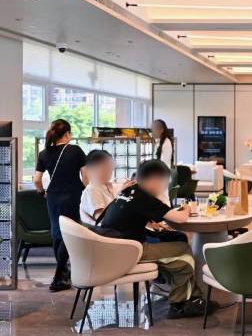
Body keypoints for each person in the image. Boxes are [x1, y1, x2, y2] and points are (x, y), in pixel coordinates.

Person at [99, 159, 209, 319]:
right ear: (154, 179)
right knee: (184, 254)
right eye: (164, 182)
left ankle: (189, 295)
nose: (164, 187)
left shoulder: (129, 190)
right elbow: (180, 218)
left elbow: (131, 214)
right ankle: (179, 305)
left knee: (177, 239)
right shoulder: (144, 197)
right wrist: (187, 207)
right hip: (128, 250)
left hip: (112, 246)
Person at [33, 119, 88, 292]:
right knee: (69, 232)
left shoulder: (44, 153)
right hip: (72, 195)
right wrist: (85, 191)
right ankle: (59, 275)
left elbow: (36, 179)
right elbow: (86, 176)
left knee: (57, 233)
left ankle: (62, 273)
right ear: (67, 134)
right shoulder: (76, 150)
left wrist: (42, 192)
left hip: (53, 196)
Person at [79, 150, 119, 225]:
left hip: (113, 228)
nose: (111, 170)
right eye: (107, 166)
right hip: (104, 230)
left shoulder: (106, 186)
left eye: (111, 166)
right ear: (93, 168)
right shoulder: (92, 189)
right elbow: (101, 219)